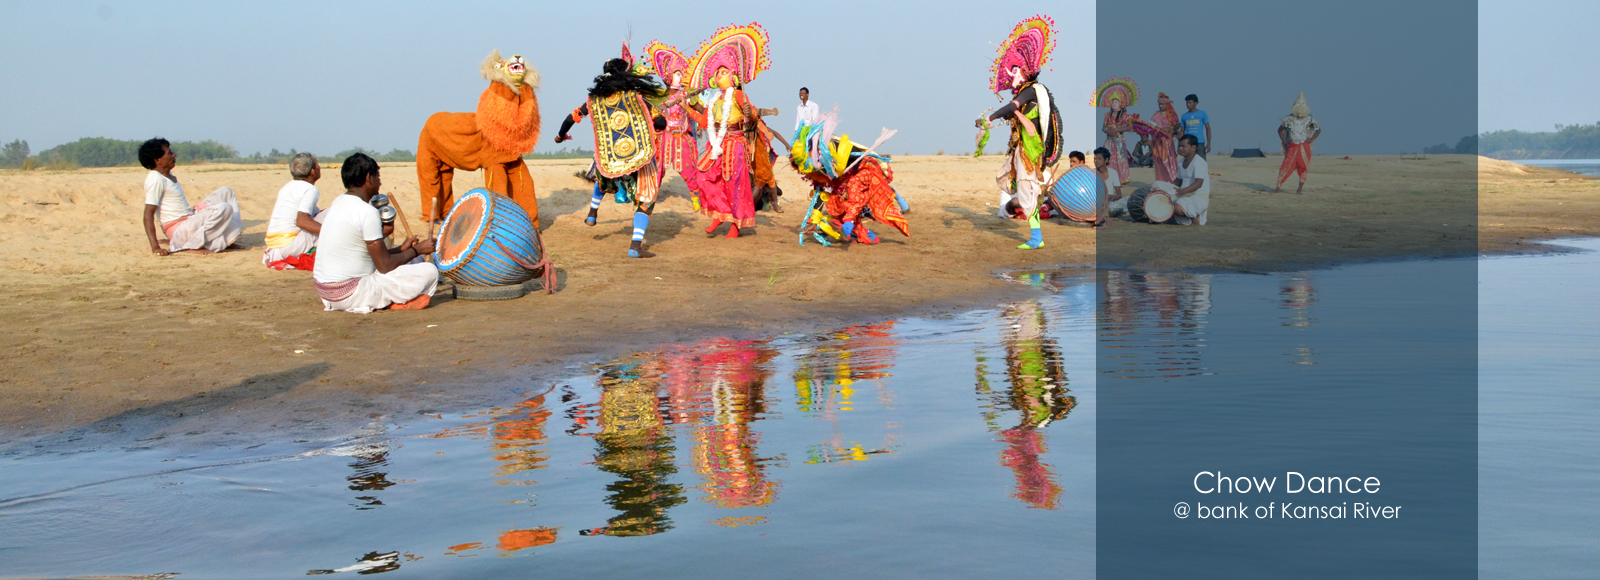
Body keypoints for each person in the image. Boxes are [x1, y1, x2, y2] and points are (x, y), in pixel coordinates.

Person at [555, 53, 669, 257]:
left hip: (609, 156)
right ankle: (635, 247)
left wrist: (559, 136)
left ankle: (592, 213)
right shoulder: (636, 98)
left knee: (602, 173)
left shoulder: (593, 100)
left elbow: (571, 118)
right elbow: (661, 123)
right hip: (638, 156)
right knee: (646, 198)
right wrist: (654, 117)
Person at [416, 51, 541, 223]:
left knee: (521, 178)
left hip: (505, 142)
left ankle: (525, 220)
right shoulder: (499, 88)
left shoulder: (523, 90)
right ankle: (434, 215)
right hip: (435, 133)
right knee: (433, 176)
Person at [312, 153, 439, 313]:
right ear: (368, 178)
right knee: (429, 271)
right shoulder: (367, 212)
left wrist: (403, 250)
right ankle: (392, 302)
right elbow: (384, 266)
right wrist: (417, 249)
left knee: (416, 260)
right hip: (349, 293)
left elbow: (366, 255)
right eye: (377, 176)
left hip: (326, 293)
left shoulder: (339, 202)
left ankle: (390, 299)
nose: (380, 182)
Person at [682, 23, 775, 240]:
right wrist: (686, 107)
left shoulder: (738, 95)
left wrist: (748, 111)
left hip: (736, 143)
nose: (719, 76)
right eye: (717, 73)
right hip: (717, 143)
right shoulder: (714, 99)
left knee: (735, 184)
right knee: (704, 175)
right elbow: (704, 122)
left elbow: (751, 115)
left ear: (732, 76)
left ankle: (735, 224)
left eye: (724, 72)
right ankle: (720, 213)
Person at [977, 16, 1062, 250]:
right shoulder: (1026, 91)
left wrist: (991, 117)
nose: (1011, 73)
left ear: (1024, 71)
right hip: (1021, 146)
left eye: (1015, 70)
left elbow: (1012, 108)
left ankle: (1036, 237)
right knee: (1012, 182)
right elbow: (1011, 114)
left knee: (1026, 188)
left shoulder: (1031, 91)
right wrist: (989, 122)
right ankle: (1033, 228)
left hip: (1030, 148)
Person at [139, 137, 242, 256]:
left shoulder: (168, 175)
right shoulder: (155, 178)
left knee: (226, 192)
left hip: (189, 220)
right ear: (158, 160)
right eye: (169, 153)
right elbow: (148, 213)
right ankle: (190, 245)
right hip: (178, 229)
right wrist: (155, 247)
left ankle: (225, 239)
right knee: (225, 208)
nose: (174, 155)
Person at [643, 40, 703, 210]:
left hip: (683, 139)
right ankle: (650, 198)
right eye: (677, 73)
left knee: (690, 171)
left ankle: (697, 200)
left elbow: (702, 112)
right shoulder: (658, 96)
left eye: (681, 73)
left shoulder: (687, 95)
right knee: (657, 171)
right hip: (663, 140)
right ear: (668, 77)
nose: (681, 77)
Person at [262, 153, 324, 270]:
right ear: (312, 172)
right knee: (331, 215)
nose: (319, 167)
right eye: (317, 165)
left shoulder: (286, 187)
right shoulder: (310, 189)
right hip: (289, 245)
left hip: (274, 246)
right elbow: (301, 221)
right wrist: (330, 232)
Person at [1273, 92, 1321, 194]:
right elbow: (1280, 130)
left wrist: (1311, 139)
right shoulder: (1289, 119)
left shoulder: (1309, 119)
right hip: (1293, 145)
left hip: (1304, 146)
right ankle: (1278, 187)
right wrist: (1285, 141)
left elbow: (1318, 130)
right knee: (1285, 166)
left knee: (1303, 166)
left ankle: (1299, 189)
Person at [1094, 77, 1137, 185]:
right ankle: (1109, 179)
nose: (1114, 104)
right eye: (1112, 102)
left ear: (1120, 103)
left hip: (1119, 140)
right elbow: (1103, 128)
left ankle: (1122, 180)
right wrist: (1107, 131)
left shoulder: (1124, 115)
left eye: (1116, 102)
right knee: (1108, 159)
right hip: (1109, 140)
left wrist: (1118, 129)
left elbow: (1130, 127)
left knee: (1120, 159)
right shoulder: (1107, 115)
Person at [1172, 135, 1209, 225]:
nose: (1180, 148)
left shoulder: (1199, 162)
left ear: (1193, 148)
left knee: (1176, 209)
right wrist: (1165, 189)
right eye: (1179, 146)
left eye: (1183, 146)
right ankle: (1190, 218)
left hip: (1198, 198)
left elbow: (1199, 183)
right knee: (1158, 187)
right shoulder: (1181, 161)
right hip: (1183, 196)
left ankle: (1195, 216)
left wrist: (1182, 191)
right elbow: (1178, 181)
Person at [1150, 92, 1183, 182]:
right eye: (1159, 104)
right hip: (1157, 142)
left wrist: (1171, 129)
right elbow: (1151, 127)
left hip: (1167, 143)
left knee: (1169, 162)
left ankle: (1173, 180)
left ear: (1167, 104)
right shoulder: (1155, 115)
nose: (1160, 106)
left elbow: (1176, 128)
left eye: (1162, 104)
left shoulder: (1172, 115)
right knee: (1159, 163)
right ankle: (1161, 181)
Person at [1095, 147, 1125, 221]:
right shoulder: (1092, 173)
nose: (1096, 161)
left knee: (1127, 200)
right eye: (1095, 159)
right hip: (1096, 203)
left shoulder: (1113, 173)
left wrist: (1113, 197)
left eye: (1099, 159)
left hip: (1111, 203)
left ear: (1106, 160)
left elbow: (1119, 195)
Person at [1181, 94, 1211, 159]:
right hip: (1188, 143)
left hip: (1199, 142)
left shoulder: (1202, 114)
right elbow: (1182, 130)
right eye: (1187, 103)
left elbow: (1208, 128)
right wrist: (1180, 144)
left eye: (1190, 102)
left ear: (1196, 103)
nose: (1188, 104)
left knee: (1201, 163)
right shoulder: (1184, 116)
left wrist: (1208, 144)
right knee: (1188, 162)